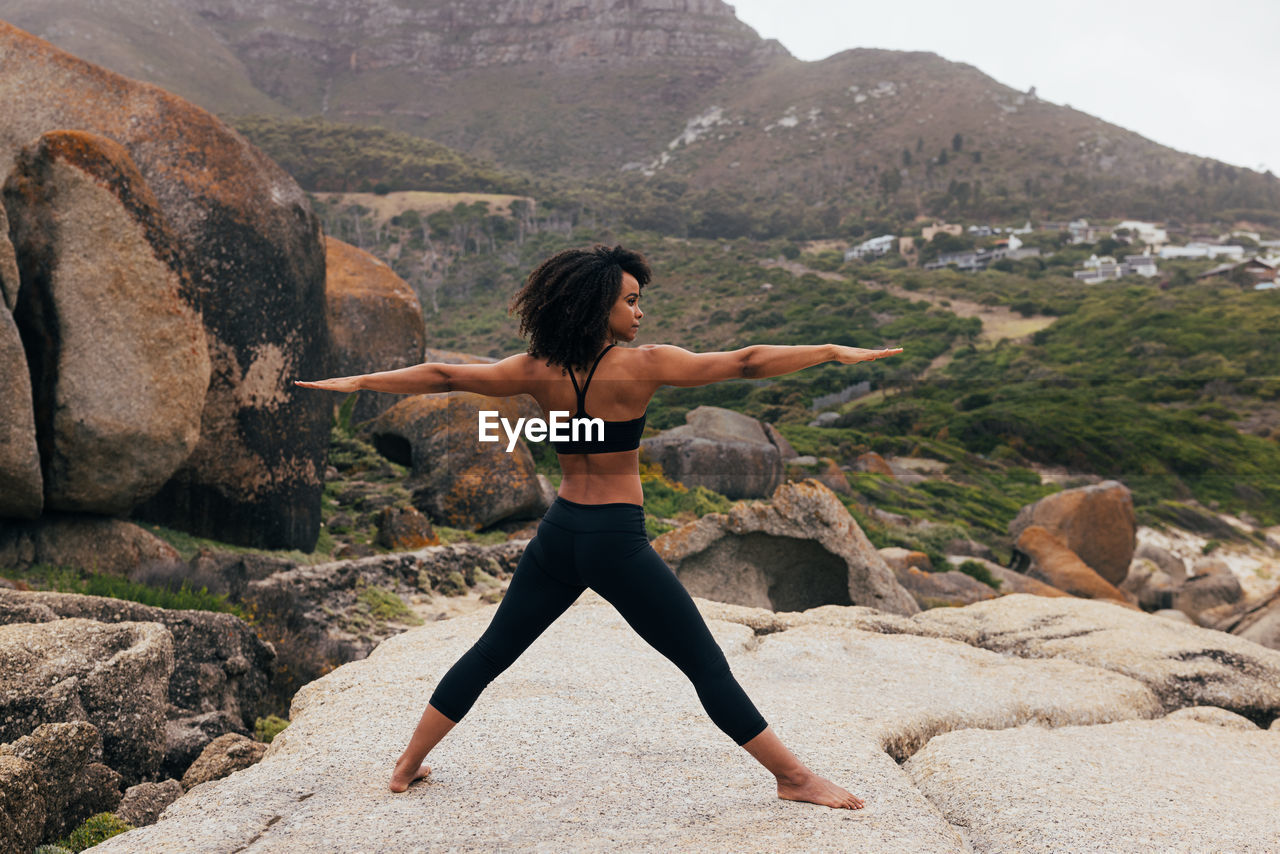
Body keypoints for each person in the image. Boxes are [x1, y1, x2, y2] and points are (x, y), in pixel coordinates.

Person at [295, 244, 902, 810]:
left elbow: (444, 376)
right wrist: (831, 351)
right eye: (630, 301)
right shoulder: (643, 368)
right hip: (616, 542)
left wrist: (360, 382)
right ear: (597, 306)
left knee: (490, 654)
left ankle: (405, 766)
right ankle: (793, 779)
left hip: (559, 537)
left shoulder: (535, 370)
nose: (640, 312)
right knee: (705, 666)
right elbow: (744, 363)